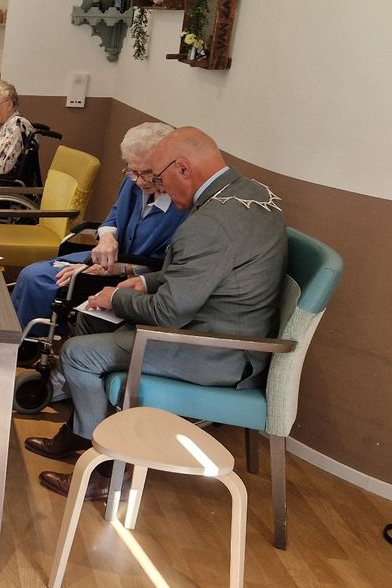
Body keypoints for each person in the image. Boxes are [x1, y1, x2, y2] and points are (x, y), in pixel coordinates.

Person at [24, 127, 287, 500]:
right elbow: (207, 272)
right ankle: (81, 432)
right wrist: (145, 283)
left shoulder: (209, 223)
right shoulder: (252, 195)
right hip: (227, 333)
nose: (158, 188)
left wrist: (116, 298)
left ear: (183, 169)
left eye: (159, 180)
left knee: (77, 354)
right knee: (87, 320)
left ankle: (107, 470)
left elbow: (167, 313)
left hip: (213, 351)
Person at [11, 123, 188, 329]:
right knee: (31, 274)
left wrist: (114, 268)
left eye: (147, 173)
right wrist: (107, 238)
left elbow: (165, 267)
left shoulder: (182, 207)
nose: (139, 181)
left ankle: (29, 343)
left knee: (39, 279)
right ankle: (17, 338)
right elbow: (113, 218)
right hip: (107, 259)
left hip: (131, 275)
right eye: (132, 171)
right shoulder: (132, 182)